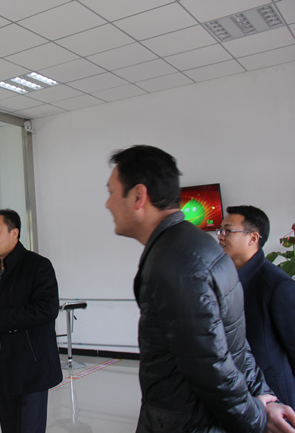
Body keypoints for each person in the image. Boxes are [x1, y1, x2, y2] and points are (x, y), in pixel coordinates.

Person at [105, 145, 295, 433]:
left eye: (112, 192)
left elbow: (209, 364)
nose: (108, 204)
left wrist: (256, 416)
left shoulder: (176, 262)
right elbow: (234, 343)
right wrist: (263, 399)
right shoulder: (197, 245)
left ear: (138, 196)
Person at [0, 209, 62, 433]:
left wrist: (1, 319)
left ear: (14, 233)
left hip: (31, 363)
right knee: (9, 426)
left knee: (30, 427)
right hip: (3, 363)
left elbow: (47, 309)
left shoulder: (38, 265)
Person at [218, 205, 295, 407]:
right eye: (220, 230)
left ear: (252, 238)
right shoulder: (224, 278)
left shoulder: (277, 285)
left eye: (228, 231)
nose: (221, 237)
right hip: (236, 391)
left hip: (273, 398)